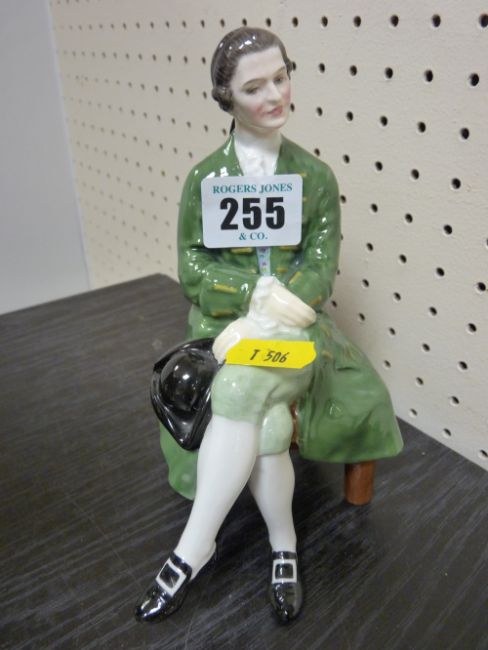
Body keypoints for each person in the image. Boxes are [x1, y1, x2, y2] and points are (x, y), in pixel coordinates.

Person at [135, 27, 402, 624]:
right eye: (254, 87)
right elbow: (192, 266)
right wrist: (245, 296)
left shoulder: (315, 178)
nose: (275, 95)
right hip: (225, 330)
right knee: (271, 425)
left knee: (237, 388)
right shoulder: (207, 180)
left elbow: (320, 268)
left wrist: (277, 303)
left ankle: (191, 551)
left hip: (294, 333)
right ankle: (285, 547)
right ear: (226, 98)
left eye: (280, 78)